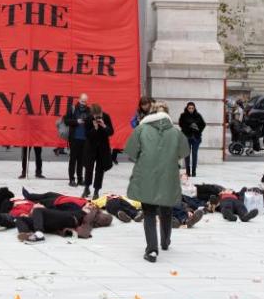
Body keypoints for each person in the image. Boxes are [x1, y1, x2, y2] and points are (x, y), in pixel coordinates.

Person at [124, 101, 189, 263]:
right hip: (168, 175)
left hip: (146, 176)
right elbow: (184, 152)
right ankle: (165, 241)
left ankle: (152, 250)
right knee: (166, 209)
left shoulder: (141, 129)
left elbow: (131, 151)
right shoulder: (176, 132)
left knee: (149, 213)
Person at [82, 103, 114, 199]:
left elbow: (111, 132)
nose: (97, 117)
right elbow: (87, 135)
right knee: (89, 168)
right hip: (91, 148)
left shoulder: (106, 117)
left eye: (99, 115)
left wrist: (104, 125)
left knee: (100, 170)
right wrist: (95, 128)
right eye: (95, 116)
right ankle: (86, 187)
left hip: (102, 148)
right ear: (92, 114)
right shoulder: (88, 119)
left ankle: (96, 190)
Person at [63, 93, 91, 188]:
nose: (84, 103)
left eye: (85, 101)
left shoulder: (88, 110)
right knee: (73, 159)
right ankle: (71, 179)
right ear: (79, 100)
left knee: (81, 160)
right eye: (82, 101)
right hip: (74, 138)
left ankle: (80, 178)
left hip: (84, 138)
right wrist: (76, 121)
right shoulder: (72, 109)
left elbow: (90, 122)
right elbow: (66, 121)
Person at [178, 101, 206, 177]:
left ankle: (194, 171)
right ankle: (188, 171)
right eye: (189, 108)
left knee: (194, 154)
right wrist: (188, 127)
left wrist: (198, 130)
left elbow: (203, 124)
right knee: (187, 154)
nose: (191, 109)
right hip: (187, 136)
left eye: (192, 108)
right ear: (187, 108)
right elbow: (180, 124)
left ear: (194, 108)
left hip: (196, 137)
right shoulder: (183, 115)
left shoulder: (198, 115)